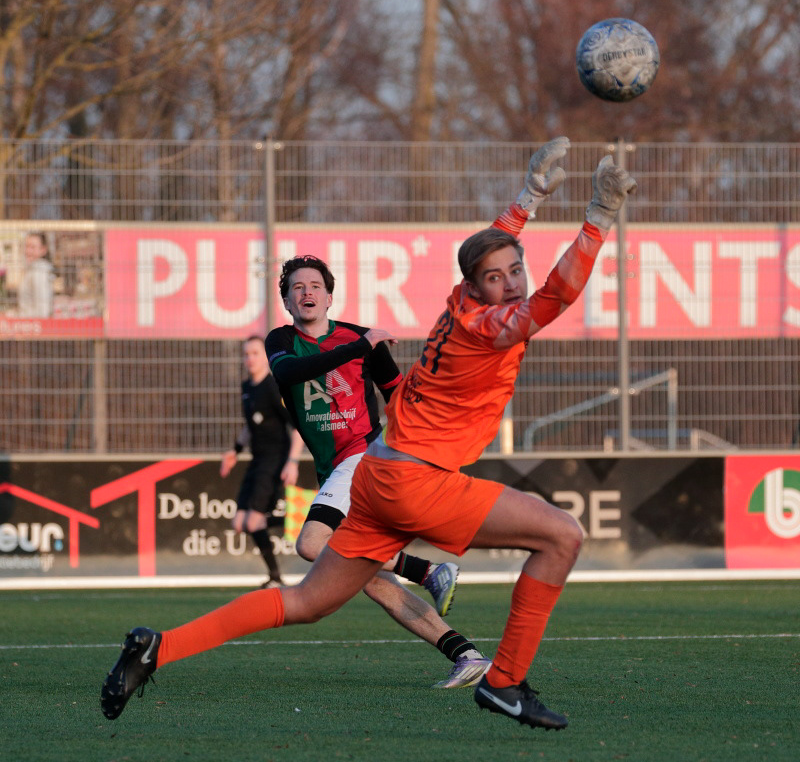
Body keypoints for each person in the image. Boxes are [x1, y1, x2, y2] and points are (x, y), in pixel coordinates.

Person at [100, 137, 637, 731]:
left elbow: (491, 253)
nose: (510, 283)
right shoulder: (492, 326)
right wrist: (598, 218)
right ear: (475, 285)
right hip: (416, 481)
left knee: (306, 601)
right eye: (496, 277)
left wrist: (527, 198)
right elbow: (556, 294)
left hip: (377, 474)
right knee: (562, 536)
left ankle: (158, 648)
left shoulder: (461, 299)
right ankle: (504, 683)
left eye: (516, 272)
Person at [264, 254, 489, 686]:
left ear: (329, 298)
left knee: (312, 543)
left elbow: (400, 397)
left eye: (315, 286)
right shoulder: (283, 341)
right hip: (334, 469)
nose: (307, 292)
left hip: (365, 457)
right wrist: (360, 346)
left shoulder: (360, 338)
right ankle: (466, 655)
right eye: (297, 288)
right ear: (288, 302)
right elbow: (291, 372)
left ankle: (427, 571)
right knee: (372, 580)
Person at [220, 335, 305, 588]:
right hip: (257, 460)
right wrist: (235, 451)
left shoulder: (273, 387)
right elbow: (250, 425)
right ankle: (299, 520)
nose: (250, 359)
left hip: (274, 460)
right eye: (246, 354)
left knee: (253, 521)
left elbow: (297, 427)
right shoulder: (248, 387)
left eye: (255, 353)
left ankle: (275, 578)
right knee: (239, 523)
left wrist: (292, 461)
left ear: (266, 358)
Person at [17, 232, 54, 318]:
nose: (28, 251)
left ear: (43, 250)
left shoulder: (39, 272)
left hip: (33, 323)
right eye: (26, 246)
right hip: (27, 322)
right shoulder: (32, 269)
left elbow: (43, 310)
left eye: (32, 247)